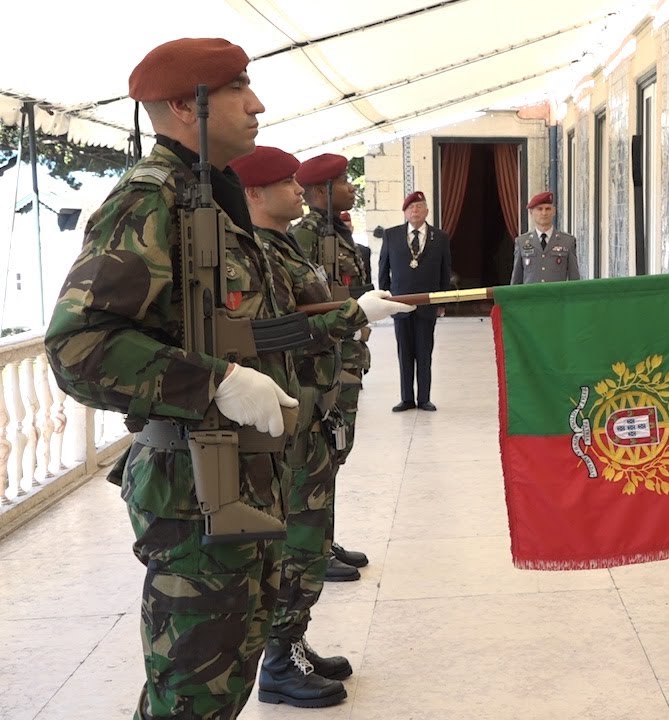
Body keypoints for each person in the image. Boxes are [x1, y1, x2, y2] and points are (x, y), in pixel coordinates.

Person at [43, 38, 299, 719]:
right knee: (189, 693)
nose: (258, 104)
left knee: (223, 682)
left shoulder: (207, 196)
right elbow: (79, 345)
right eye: (240, 88)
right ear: (189, 107)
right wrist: (211, 382)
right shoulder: (148, 201)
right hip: (193, 488)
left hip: (238, 478)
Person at [230, 146, 410, 707]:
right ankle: (280, 664)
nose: (298, 192)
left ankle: (292, 646)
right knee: (299, 544)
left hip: (315, 410)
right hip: (291, 421)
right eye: (287, 184)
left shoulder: (282, 245)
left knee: (310, 534)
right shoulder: (258, 251)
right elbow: (276, 331)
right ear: (255, 194)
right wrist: (356, 313)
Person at [291, 154, 372, 579]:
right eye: (342, 181)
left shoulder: (336, 233)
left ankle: (323, 538)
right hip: (324, 365)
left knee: (335, 455)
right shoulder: (304, 237)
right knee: (317, 462)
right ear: (319, 191)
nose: (351, 186)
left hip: (346, 359)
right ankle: (309, 551)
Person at [379, 190, 452, 412]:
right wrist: (384, 298)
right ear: (404, 212)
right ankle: (406, 398)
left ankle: (424, 398)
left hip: (427, 305)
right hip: (400, 303)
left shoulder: (439, 237)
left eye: (419, 206)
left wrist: (442, 302)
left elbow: (444, 271)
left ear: (427, 210)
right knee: (404, 352)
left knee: (424, 352)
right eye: (411, 207)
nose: (415, 210)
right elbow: (384, 270)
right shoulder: (391, 235)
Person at [510, 191, 580, 283]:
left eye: (547, 209)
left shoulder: (567, 241)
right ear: (531, 212)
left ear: (553, 211)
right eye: (539, 209)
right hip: (531, 297)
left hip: (557, 296)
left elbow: (574, 278)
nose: (544, 213)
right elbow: (516, 279)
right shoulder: (522, 242)